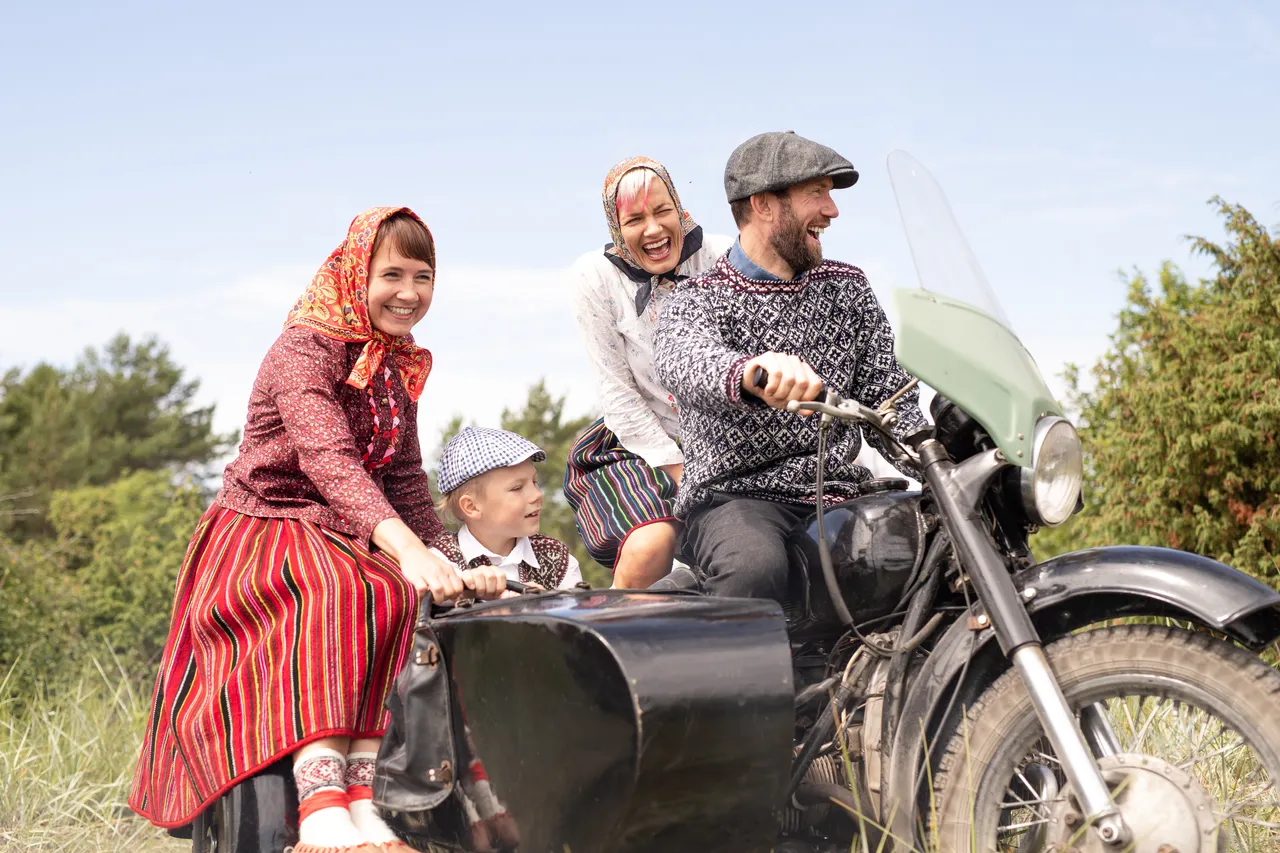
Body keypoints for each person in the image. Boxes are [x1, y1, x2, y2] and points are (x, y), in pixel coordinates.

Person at [129, 208, 509, 853]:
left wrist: (451, 561)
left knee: (395, 593)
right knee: (339, 589)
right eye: (392, 274)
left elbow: (408, 477)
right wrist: (407, 548)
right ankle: (321, 806)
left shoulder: (393, 364)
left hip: (348, 526)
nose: (410, 293)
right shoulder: (302, 349)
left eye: (424, 276)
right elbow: (327, 459)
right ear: (355, 274)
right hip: (266, 521)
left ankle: (364, 799)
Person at [652, 131, 925, 604]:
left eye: (830, 195)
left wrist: (944, 456)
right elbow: (690, 363)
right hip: (736, 498)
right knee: (754, 569)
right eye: (816, 194)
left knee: (934, 546)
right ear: (763, 205)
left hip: (838, 492)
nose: (832, 210)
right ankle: (734, 678)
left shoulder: (847, 288)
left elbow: (893, 402)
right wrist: (750, 372)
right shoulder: (694, 300)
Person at [564, 156, 733, 588]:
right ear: (616, 229)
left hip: (725, 436)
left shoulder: (724, 255)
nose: (654, 229)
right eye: (635, 219)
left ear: (680, 208)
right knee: (651, 544)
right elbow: (618, 392)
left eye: (662, 211)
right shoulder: (594, 277)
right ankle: (617, 647)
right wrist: (688, 476)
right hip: (636, 440)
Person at [437, 426, 584, 590]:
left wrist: (549, 604)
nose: (537, 495)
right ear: (471, 507)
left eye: (534, 482)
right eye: (517, 488)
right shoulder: (441, 564)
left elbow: (579, 611)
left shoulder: (556, 558)